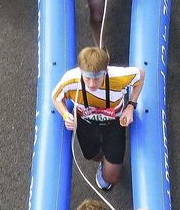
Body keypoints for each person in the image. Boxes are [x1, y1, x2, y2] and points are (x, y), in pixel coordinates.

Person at [51, 47, 143, 191]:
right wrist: (65, 114)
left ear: (105, 71)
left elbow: (141, 75)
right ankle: (103, 160)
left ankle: (109, 163)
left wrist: (131, 105)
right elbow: (56, 98)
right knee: (93, 156)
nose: (92, 84)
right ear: (81, 71)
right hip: (86, 123)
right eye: (87, 78)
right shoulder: (70, 79)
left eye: (97, 79)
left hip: (114, 124)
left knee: (111, 177)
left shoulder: (118, 77)